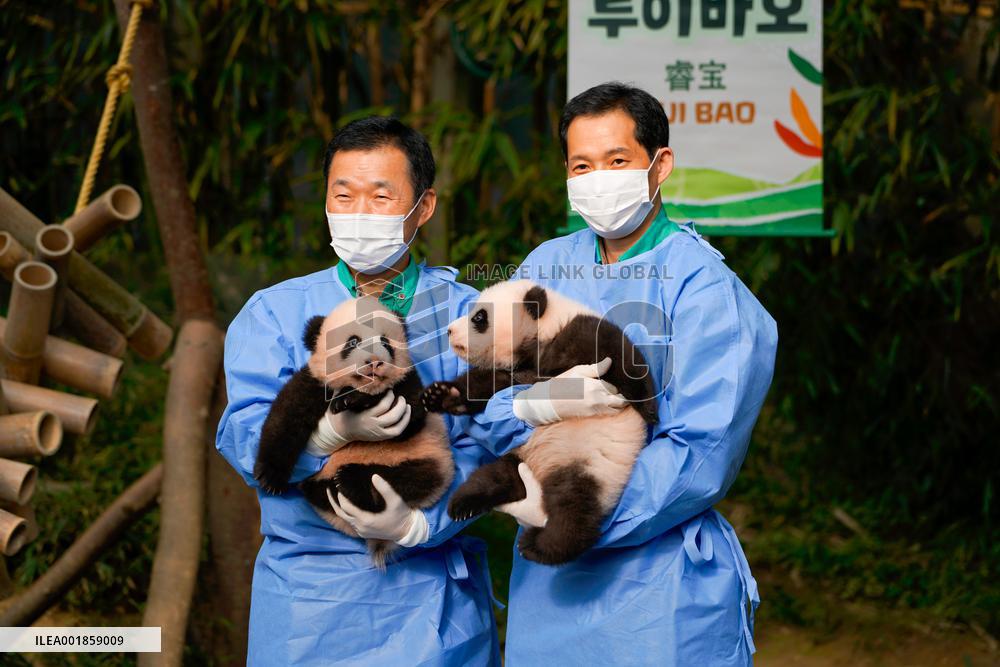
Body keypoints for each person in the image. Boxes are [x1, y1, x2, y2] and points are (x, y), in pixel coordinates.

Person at [466, 82, 778, 665]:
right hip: (547, 593)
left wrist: (571, 519)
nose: (598, 178)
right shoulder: (544, 267)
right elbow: (487, 400)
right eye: (582, 165)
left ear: (659, 165)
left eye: (617, 161)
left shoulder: (703, 289)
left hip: (656, 588)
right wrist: (530, 409)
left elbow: (700, 453)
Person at [215, 116, 500, 666]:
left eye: (380, 196)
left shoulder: (473, 315)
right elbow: (245, 437)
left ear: (424, 207)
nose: (359, 214)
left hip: (434, 600)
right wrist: (321, 436)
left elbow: (499, 443)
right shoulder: (274, 313)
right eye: (342, 195)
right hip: (309, 604)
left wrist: (421, 523)